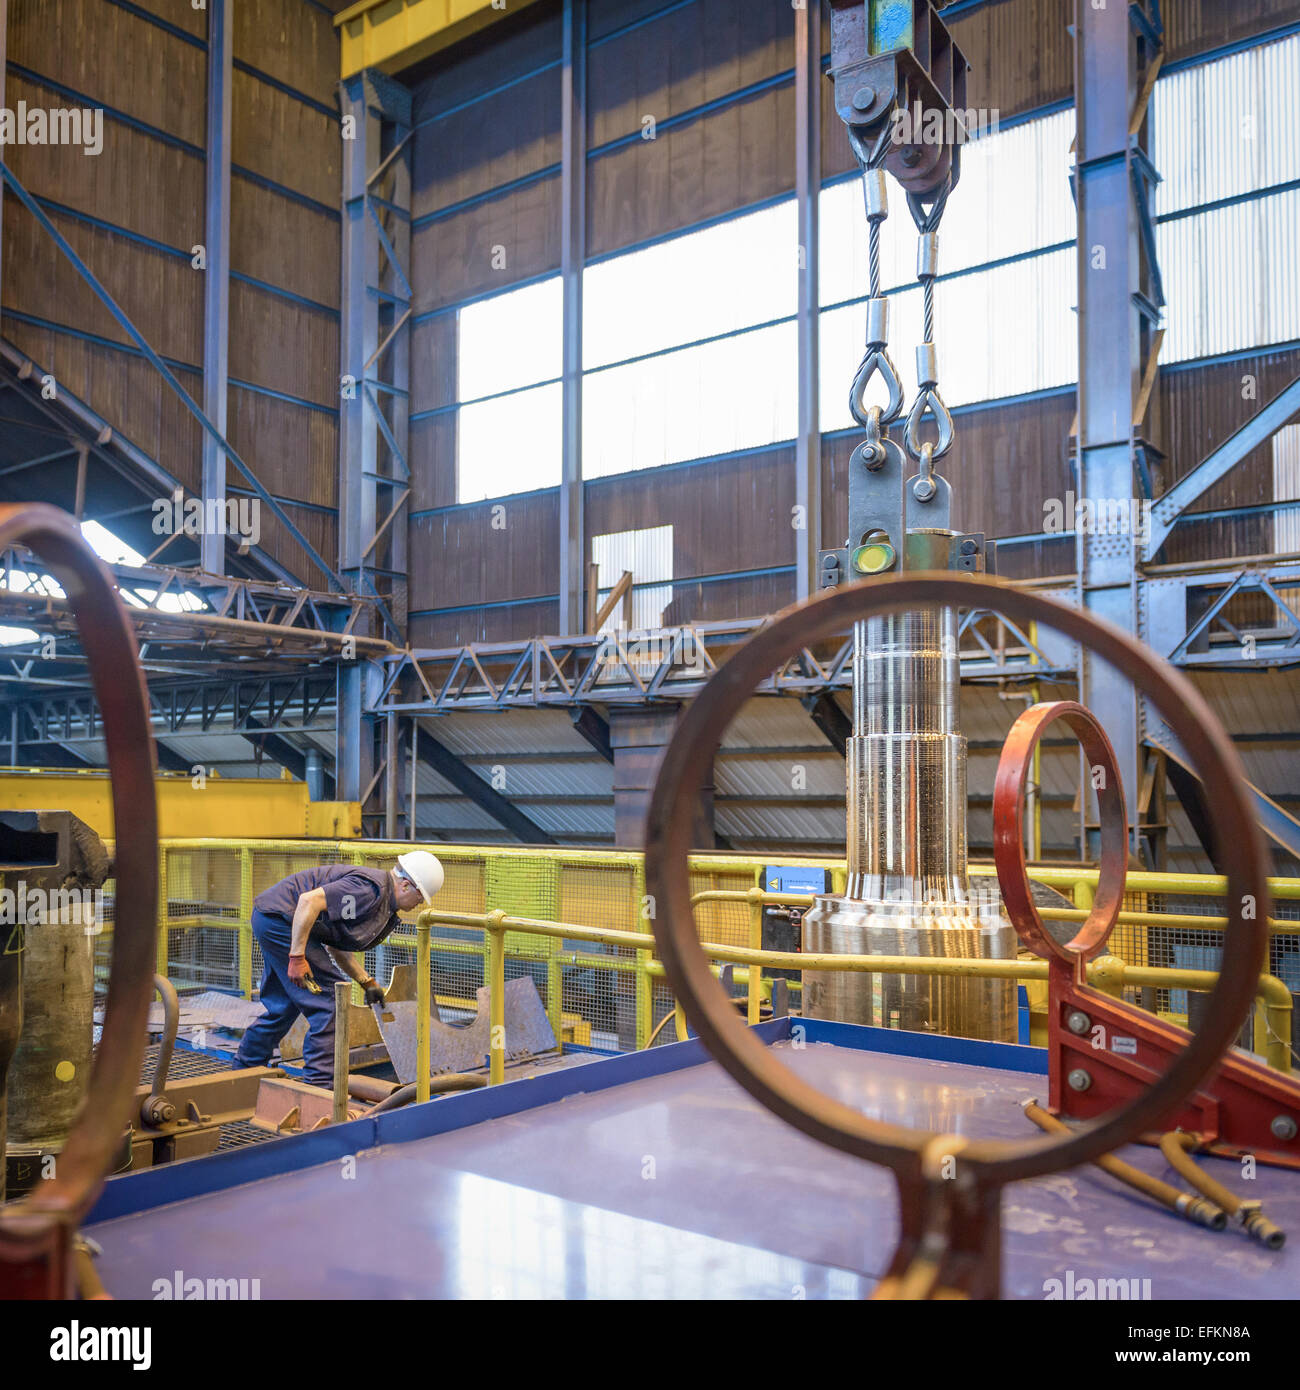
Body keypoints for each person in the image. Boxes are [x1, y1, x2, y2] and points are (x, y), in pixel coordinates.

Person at [234, 851, 444, 1088]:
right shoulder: (369, 891)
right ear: (406, 885)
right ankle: (320, 1087)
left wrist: (366, 982)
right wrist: (296, 956)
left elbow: (336, 944)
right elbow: (308, 901)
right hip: (281, 921)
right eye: (420, 896)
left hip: (273, 919)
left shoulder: (378, 897)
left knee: (285, 1006)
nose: (420, 904)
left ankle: (244, 1072)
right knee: (329, 1003)